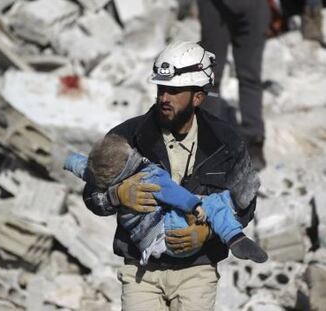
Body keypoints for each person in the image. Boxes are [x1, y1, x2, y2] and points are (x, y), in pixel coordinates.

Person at [83, 41, 260, 311]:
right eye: (161, 89)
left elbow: (245, 204)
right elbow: (91, 195)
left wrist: (208, 232)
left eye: (174, 91)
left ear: (198, 97)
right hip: (141, 271)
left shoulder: (226, 141)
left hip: (197, 272)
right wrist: (117, 196)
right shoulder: (127, 136)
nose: (164, 97)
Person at [64, 134, 268, 265]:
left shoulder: (101, 176)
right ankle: (235, 237)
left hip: (147, 243)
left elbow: (83, 167)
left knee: (214, 204)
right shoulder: (148, 176)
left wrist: (68, 160)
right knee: (212, 203)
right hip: (172, 233)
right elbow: (174, 193)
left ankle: (227, 207)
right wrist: (194, 205)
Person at [197, 0, 271, 170]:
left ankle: (254, 142)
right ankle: (206, 144)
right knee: (211, 77)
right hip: (215, 6)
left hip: (253, 7)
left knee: (250, 76)